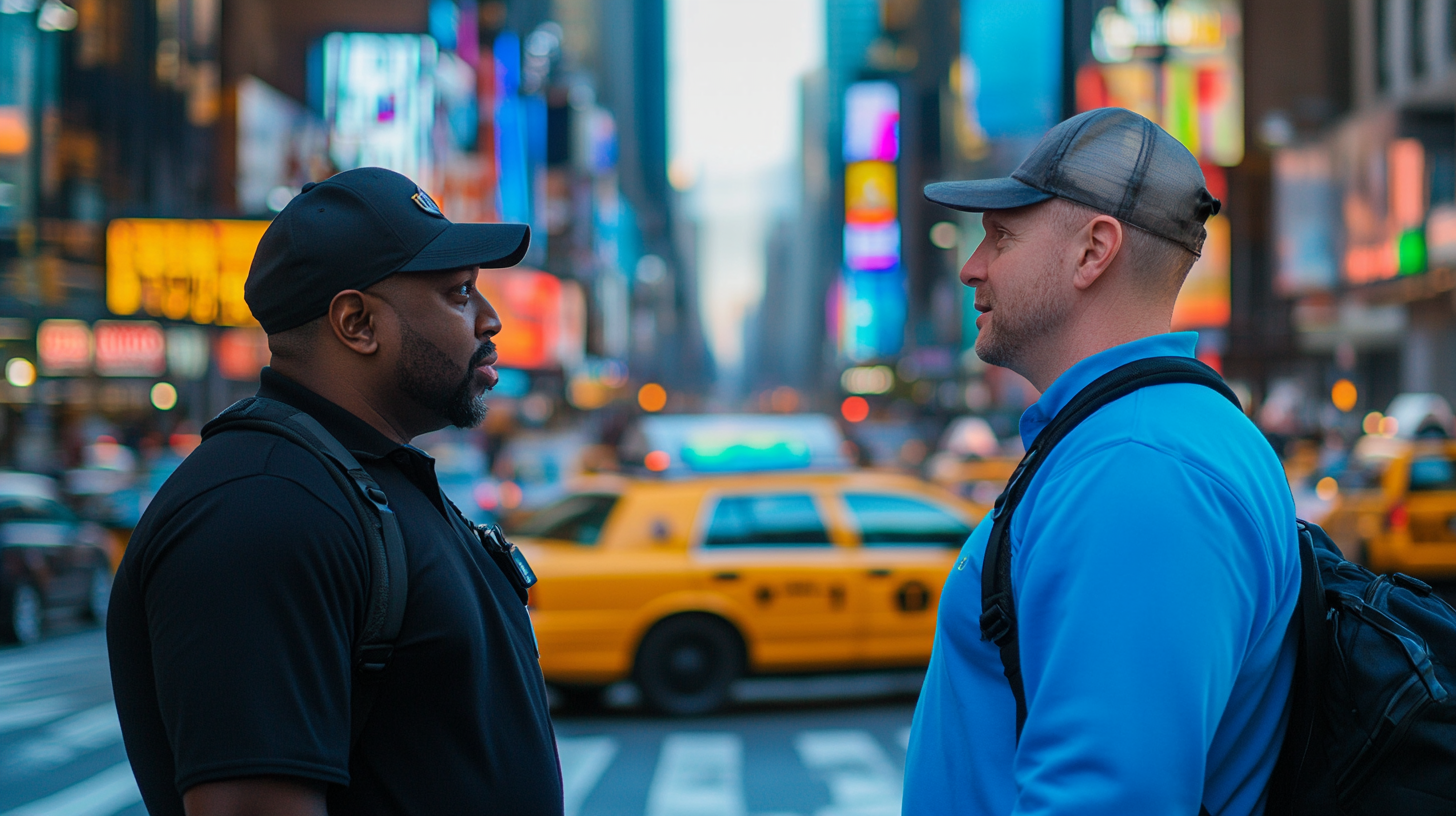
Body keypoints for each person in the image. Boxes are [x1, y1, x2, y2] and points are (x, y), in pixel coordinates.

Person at [107, 167, 564, 816]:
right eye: (460, 294)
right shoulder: (261, 507)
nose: (491, 320)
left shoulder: (361, 479)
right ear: (357, 323)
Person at [902, 108, 1300, 816]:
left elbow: (1107, 800)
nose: (972, 266)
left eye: (1002, 236)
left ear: (1093, 250)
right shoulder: (1145, 437)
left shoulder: (1136, 466)